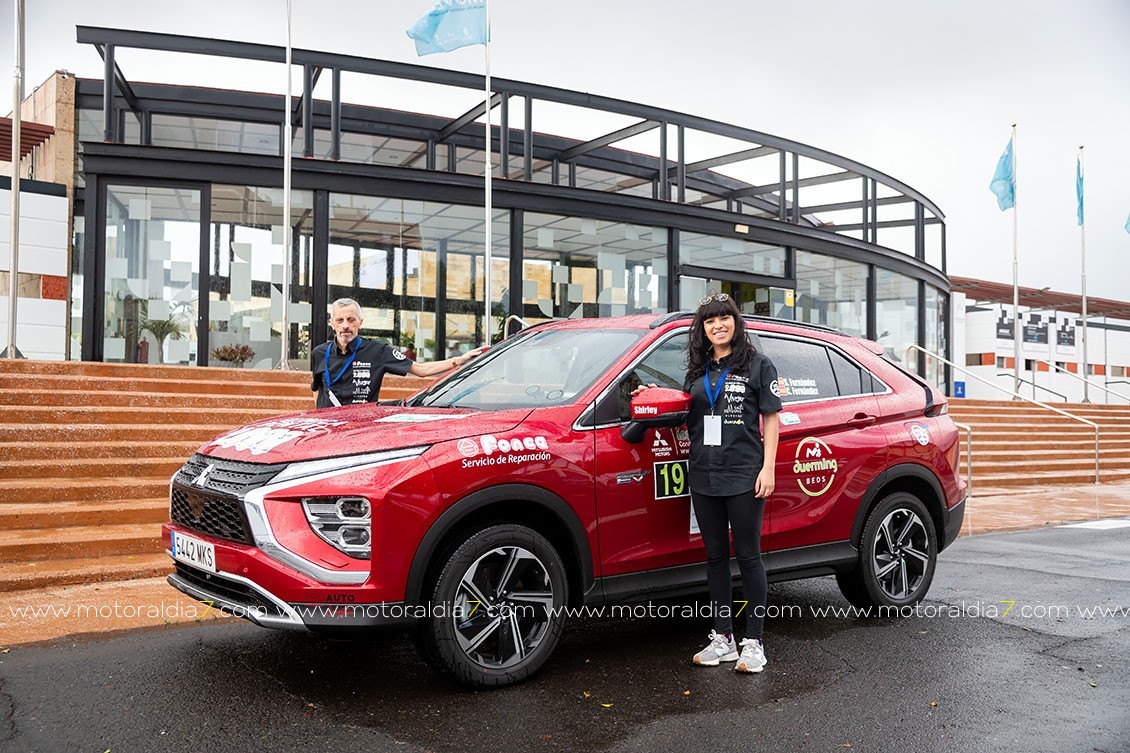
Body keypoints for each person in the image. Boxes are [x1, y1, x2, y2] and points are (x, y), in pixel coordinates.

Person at [682, 293, 781, 673]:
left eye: (724, 318)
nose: (718, 325)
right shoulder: (698, 370)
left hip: (744, 473)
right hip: (704, 473)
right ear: (703, 329)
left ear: (736, 322)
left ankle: (753, 641)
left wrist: (767, 468)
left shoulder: (758, 365)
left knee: (748, 555)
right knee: (714, 556)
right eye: (709, 321)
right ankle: (722, 637)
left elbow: (770, 419)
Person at [311, 298, 482, 409]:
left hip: (360, 427)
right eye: (340, 320)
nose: (345, 325)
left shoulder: (378, 351)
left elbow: (421, 370)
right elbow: (317, 389)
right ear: (332, 323)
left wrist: (459, 360)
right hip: (328, 426)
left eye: (351, 319)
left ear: (360, 323)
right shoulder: (319, 353)